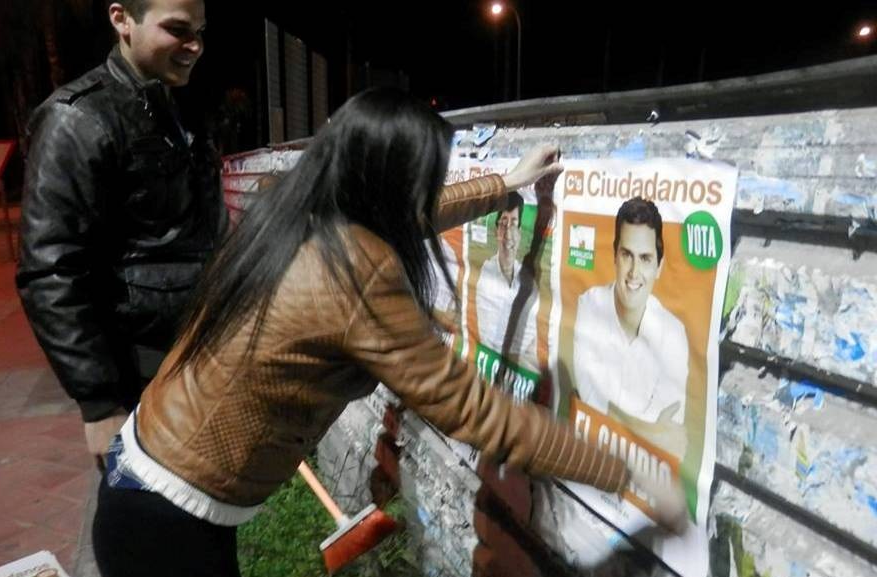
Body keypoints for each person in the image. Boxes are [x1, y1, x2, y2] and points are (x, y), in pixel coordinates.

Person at [92, 89, 687, 576]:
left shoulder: (295, 215)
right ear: (391, 181)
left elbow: (409, 219)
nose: (428, 190)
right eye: (425, 177)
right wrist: (626, 473)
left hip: (144, 478)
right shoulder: (354, 272)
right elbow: (475, 411)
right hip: (168, 523)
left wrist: (504, 186)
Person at [16, 0, 223, 467]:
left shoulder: (177, 105)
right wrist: (99, 402)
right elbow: (50, 270)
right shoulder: (76, 120)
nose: (195, 46)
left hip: (192, 365)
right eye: (177, 30)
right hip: (135, 387)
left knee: (203, 521)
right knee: (140, 519)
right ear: (121, 19)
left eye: (200, 31)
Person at [572, 197, 689, 457]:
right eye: (627, 255)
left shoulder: (673, 334)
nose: (634, 272)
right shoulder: (590, 306)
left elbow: (671, 431)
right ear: (614, 255)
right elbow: (590, 400)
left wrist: (609, 413)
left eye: (646, 258)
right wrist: (648, 430)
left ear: (659, 267)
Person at [475, 191, 541, 372]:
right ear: (497, 230)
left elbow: (531, 345)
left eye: (513, 224)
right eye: (504, 224)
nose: (508, 234)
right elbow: (492, 343)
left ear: (520, 232)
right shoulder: (487, 274)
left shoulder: (529, 283)